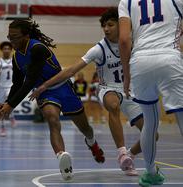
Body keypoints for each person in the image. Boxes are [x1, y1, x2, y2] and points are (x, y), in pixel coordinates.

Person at [30, 8, 156, 176]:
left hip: (129, 91)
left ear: (121, 25)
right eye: (104, 26)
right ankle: (122, 153)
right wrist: (45, 86)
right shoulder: (99, 49)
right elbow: (71, 70)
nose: (106, 29)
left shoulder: (133, 43)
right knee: (113, 104)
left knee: (152, 135)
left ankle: (130, 156)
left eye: (110, 24)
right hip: (108, 88)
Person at [0, 19, 105, 181]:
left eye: (15, 37)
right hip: (44, 93)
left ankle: (91, 142)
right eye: (9, 37)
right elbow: (17, 84)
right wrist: (7, 102)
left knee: (85, 128)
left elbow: (30, 81)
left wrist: (11, 105)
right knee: (53, 121)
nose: (11, 41)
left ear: (26, 36)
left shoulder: (37, 48)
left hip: (63, 88)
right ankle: (62, 158)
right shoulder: (17, 57)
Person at [118, 0, 183, 186]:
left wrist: (127, 76)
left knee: (150, 122)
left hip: (140, 62)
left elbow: (123, 40)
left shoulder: (127, 2)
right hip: (169, 57)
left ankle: (150, 172)